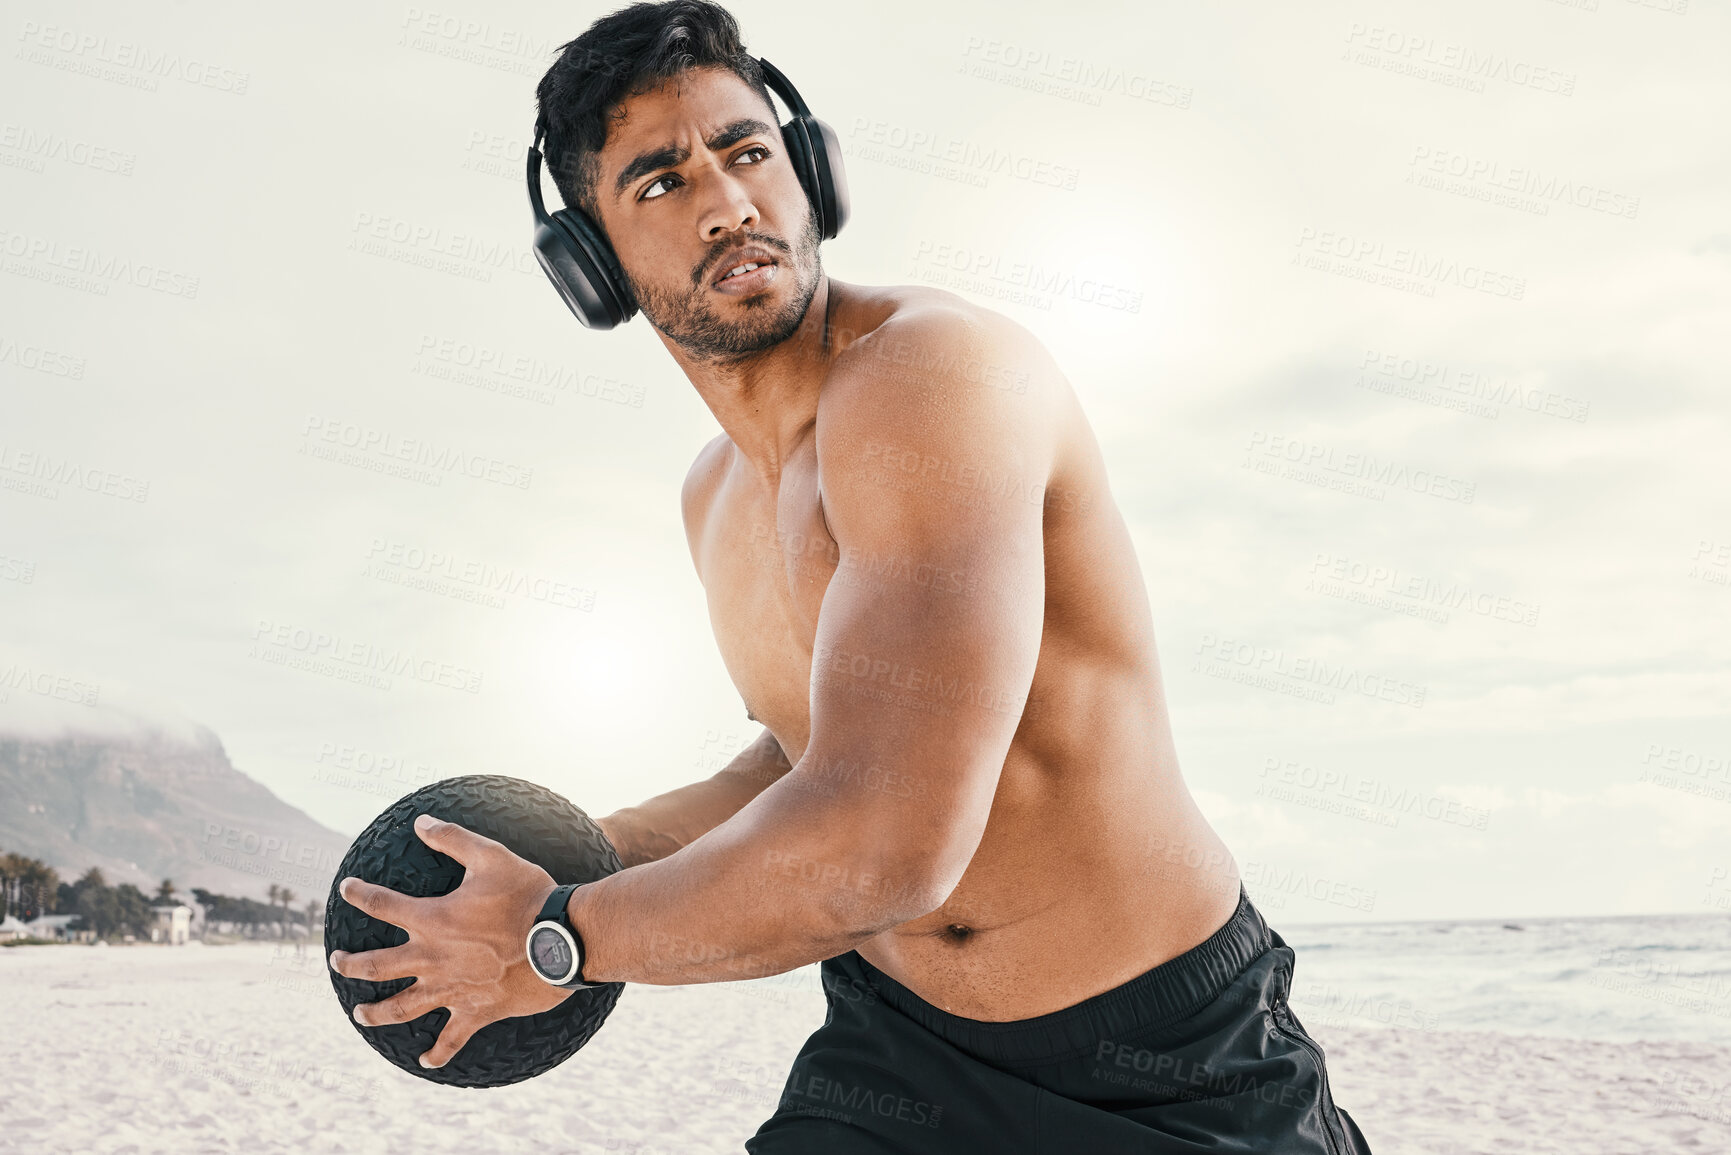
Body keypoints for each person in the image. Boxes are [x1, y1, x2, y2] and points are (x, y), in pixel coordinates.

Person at [329, 3, 1371, 1150]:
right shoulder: (713, 498)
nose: (729, 203)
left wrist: (559, 939)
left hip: (1167, 1062)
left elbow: (886, 845)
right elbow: (808, 751)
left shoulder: (932, 377)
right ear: (593, 264)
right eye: (662, 184)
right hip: (901, 1051)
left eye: (747, 150)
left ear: (808, 168)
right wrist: (594, 853)